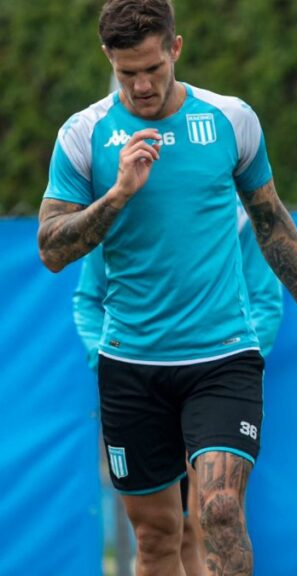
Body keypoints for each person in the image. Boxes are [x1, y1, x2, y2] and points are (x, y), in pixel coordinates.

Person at [37, 1, 297, 574]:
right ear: (109, 59)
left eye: (153, 68)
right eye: (128, 72)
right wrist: (118, 194)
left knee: (221, 509)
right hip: (130, 364)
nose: (142, 85)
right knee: (157, 538)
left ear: (175, 49)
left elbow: (271, 220)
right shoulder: (84, 135)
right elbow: (52, 249)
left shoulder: (230, 120)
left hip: (221, 357)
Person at [73, 198, 283, 575]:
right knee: (164, 532)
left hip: (215, 382)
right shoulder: (116, 204)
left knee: (218, 513)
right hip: (142, 384)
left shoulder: (233, 211)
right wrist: (105, 360)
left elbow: (266, 301)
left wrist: (232, 365)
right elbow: (88, 300)